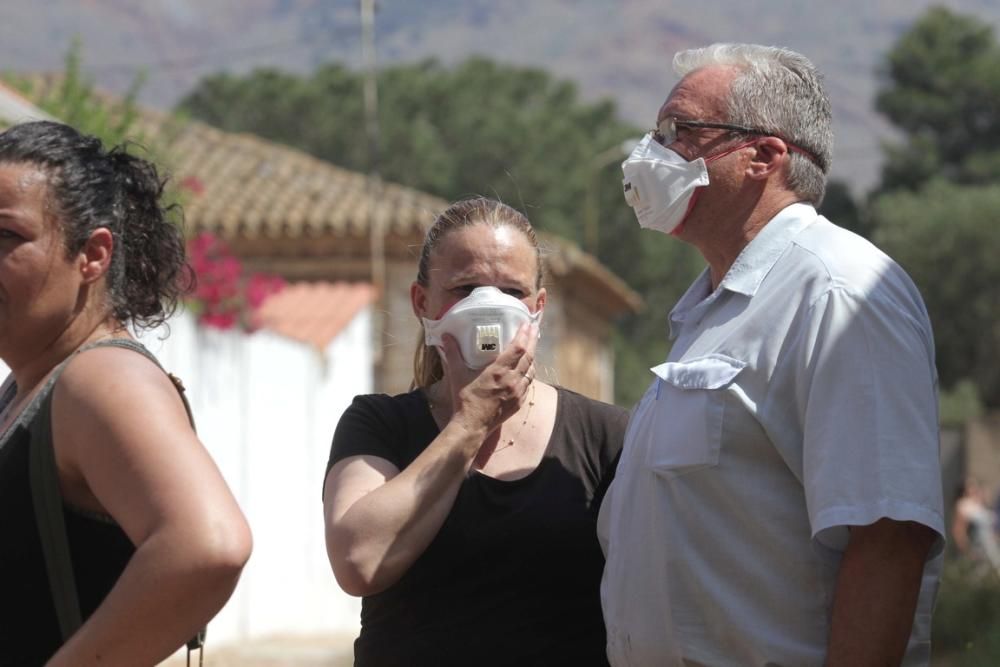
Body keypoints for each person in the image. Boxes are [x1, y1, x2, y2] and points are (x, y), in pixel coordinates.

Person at [598, 44, 944, 666]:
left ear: (764, 156)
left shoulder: (840, 290)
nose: (652, 152)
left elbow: (888, 537)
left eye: (680, 132)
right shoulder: (709, 311)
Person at [323, 197, 627, 666]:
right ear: (423, 304)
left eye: (512, 291)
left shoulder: (605, 435)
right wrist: (472, 422)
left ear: (538, 309)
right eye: (465, 289)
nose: (490, 307)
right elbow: (358, 561)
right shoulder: (380, 424)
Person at [0, 121, 252, 665]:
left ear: (91, 255)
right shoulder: (29, 386)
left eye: (6, 238)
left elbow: (209, 544)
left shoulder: (99, 380)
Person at [951, 477, 1000, 576]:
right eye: (971, 485)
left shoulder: (979, 505)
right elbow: (958, 531)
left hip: (990, 550)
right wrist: (967, 551)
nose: (974, 487)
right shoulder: (963, 505)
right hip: (977, 552)